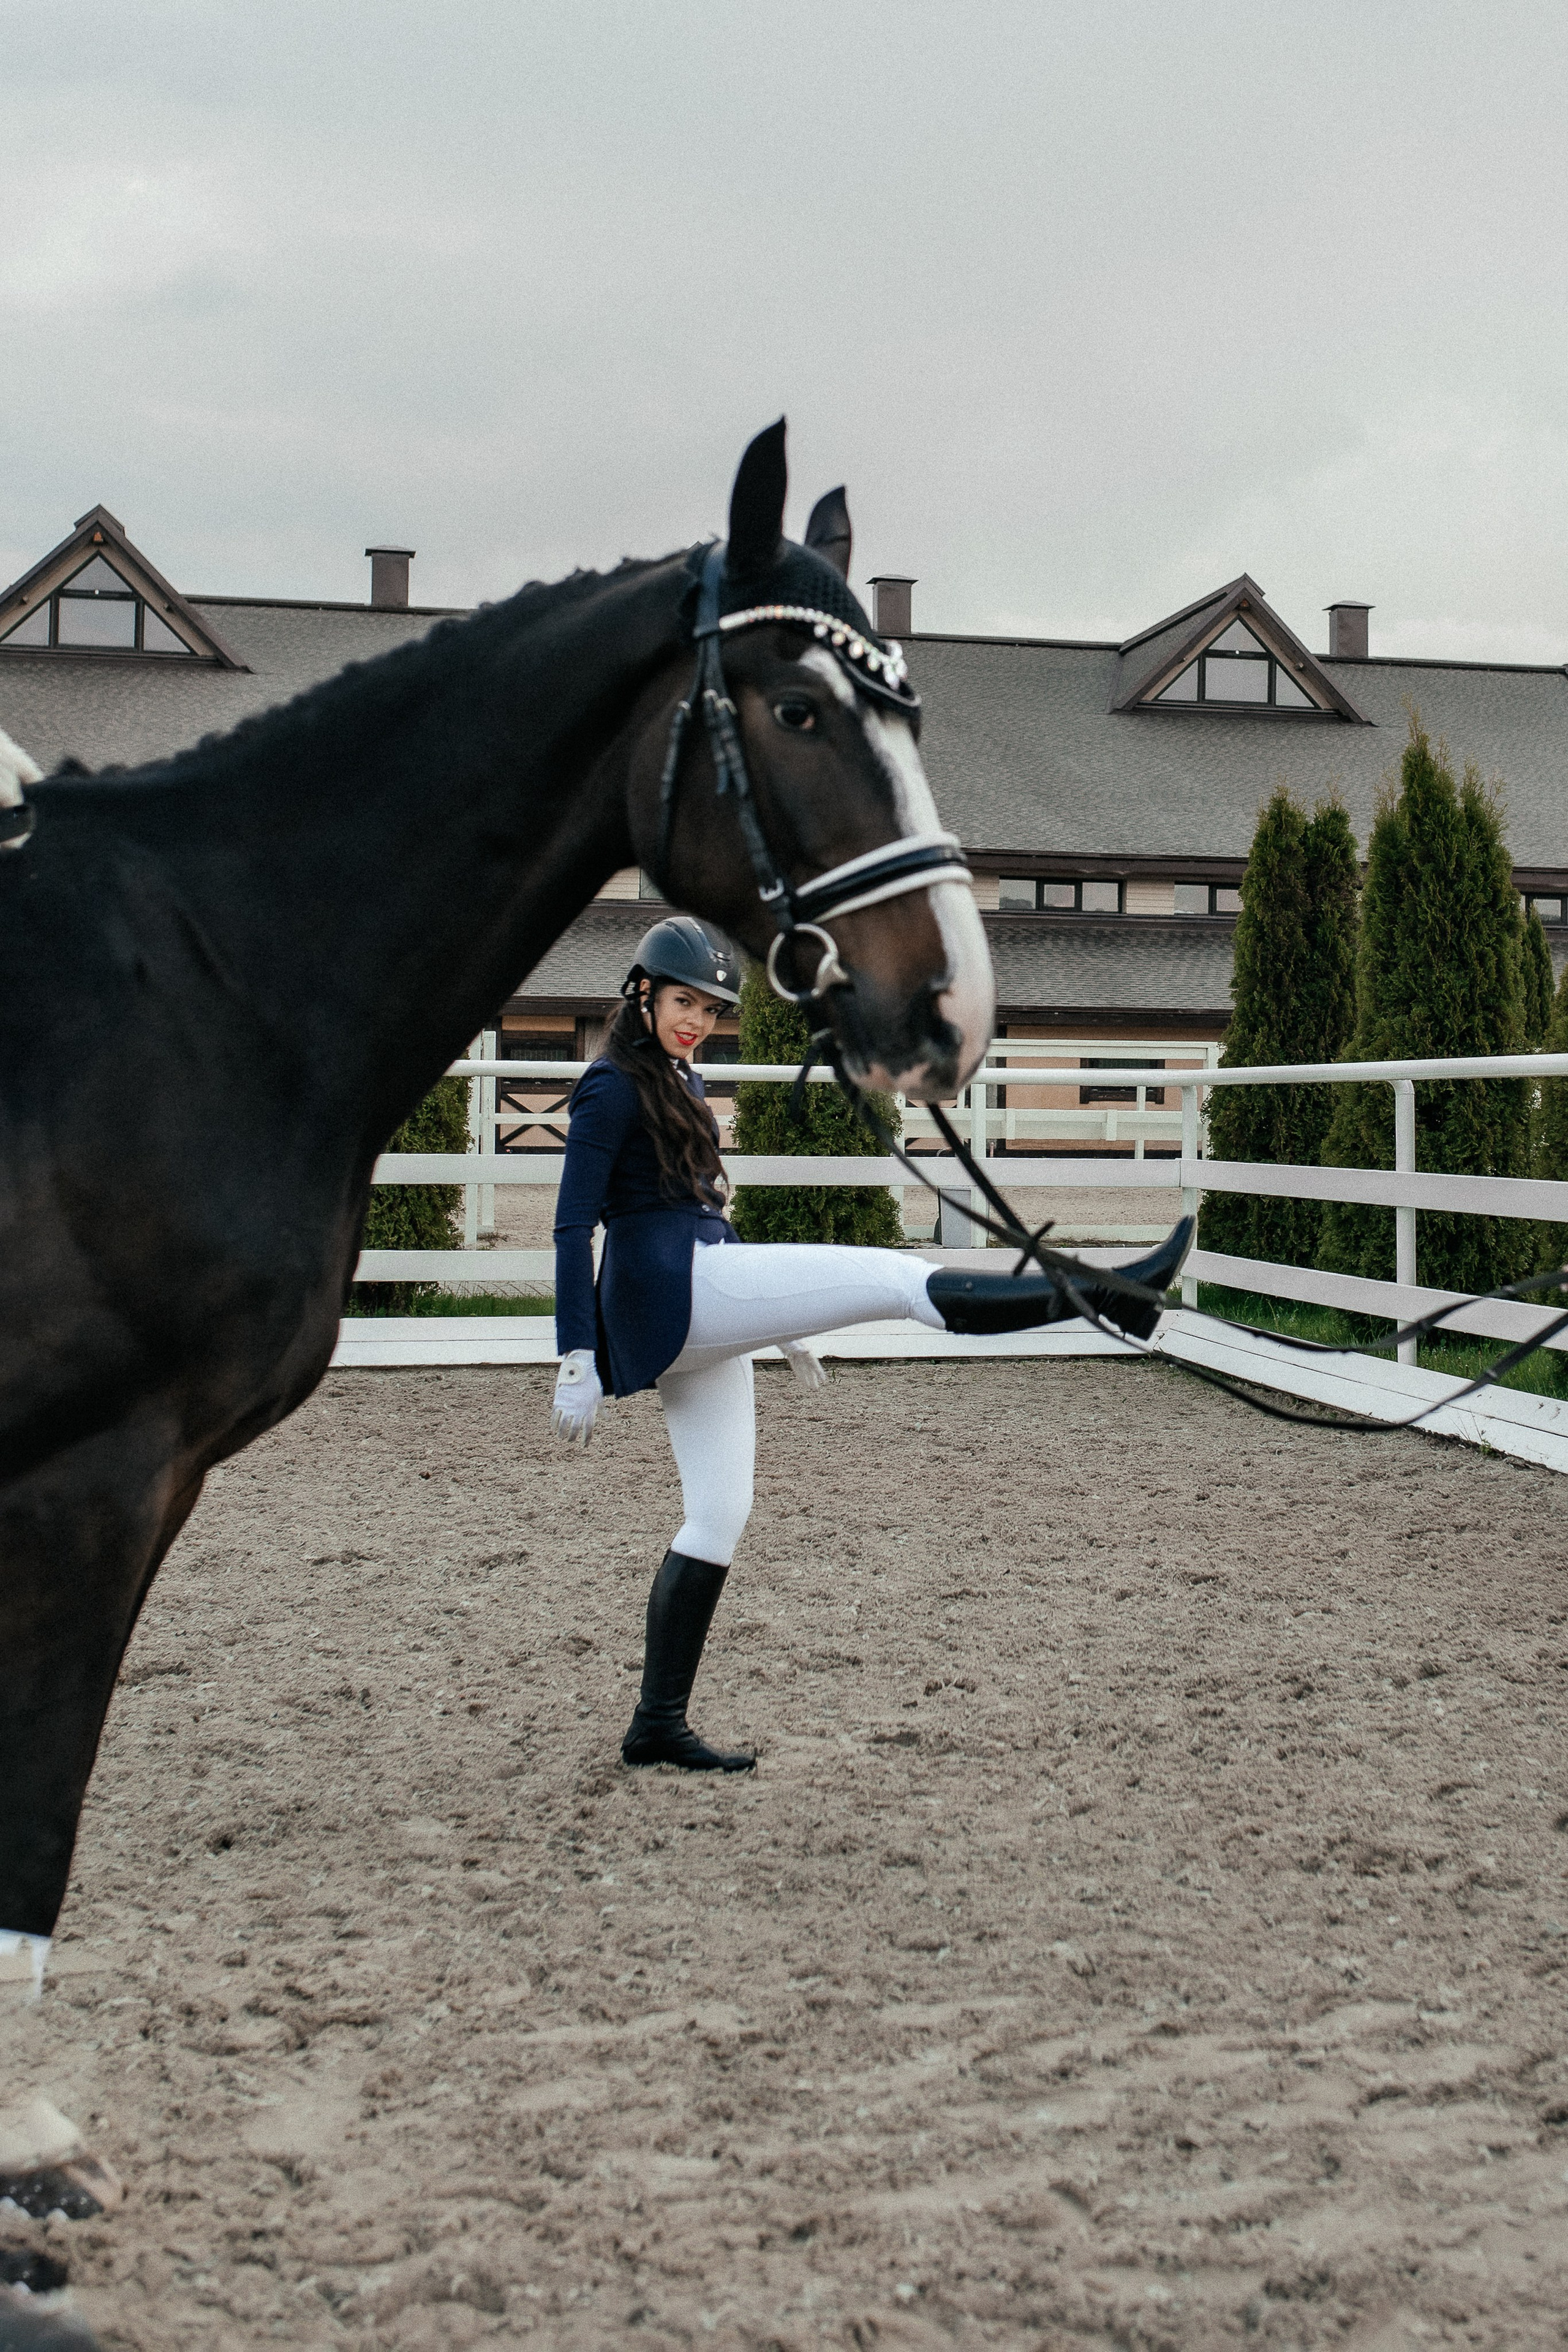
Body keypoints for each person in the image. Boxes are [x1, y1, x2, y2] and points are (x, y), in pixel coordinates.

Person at [552, 916, 1192, 1774]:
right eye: (682, 1002)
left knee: (718, 1513)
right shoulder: (610, 1086)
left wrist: (783, 1330)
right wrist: (575, 1354)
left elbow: (703, 1212)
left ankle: (655, 1724)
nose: (696, 1020)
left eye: (708, 1009)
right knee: (894, 1278)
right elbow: (570, 1228)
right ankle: (1104, 1295)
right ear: (642, 992)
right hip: (664, 1295)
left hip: (699, 1289)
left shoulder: (679, 1077)